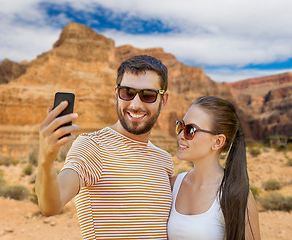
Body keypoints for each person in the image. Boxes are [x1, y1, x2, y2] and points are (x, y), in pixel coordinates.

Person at [36, 55, 174, 239]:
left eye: (147, 95)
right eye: (127, 93)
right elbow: (51, 206)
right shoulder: (92, 146)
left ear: (163, 100)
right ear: (116, 94)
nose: (135, 104)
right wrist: (45, 161)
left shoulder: (164, 159)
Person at [167, 96, 260, 240]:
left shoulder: (236, 195)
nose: (180, 135)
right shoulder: (172, 186)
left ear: (217, 142)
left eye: (190, 130)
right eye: (181, 126)